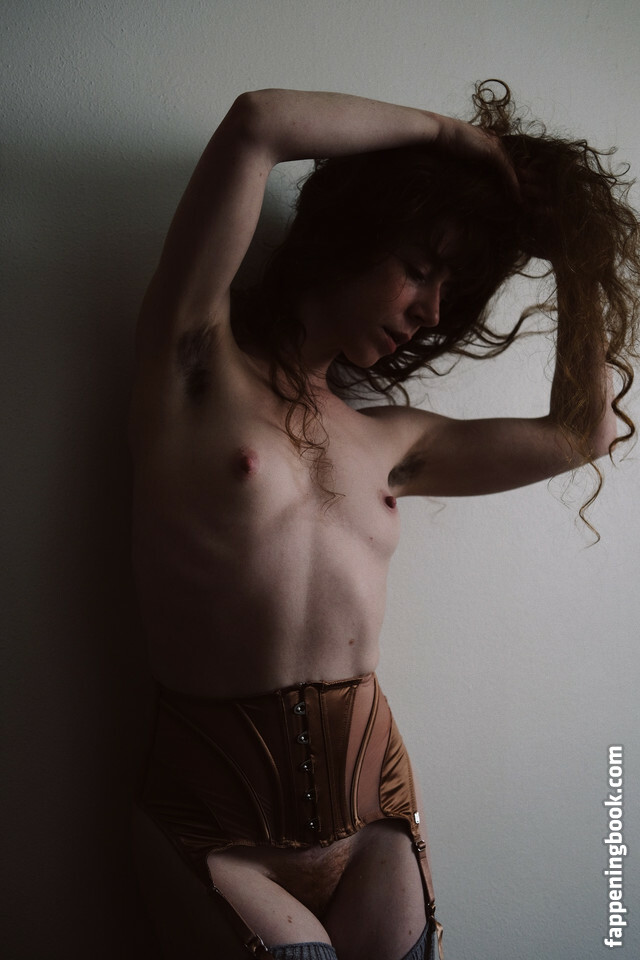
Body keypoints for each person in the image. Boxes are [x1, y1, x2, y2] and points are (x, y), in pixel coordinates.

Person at [130, 83, 639, 960]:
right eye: (419, 267)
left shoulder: (391, 442)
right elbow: (257, 124)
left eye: (451, 288)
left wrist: (574, 257)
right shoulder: (192, 364)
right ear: (352, 234)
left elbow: (582, 431)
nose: (431, 312)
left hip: (377, 821)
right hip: (218, 829)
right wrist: (452, 138)